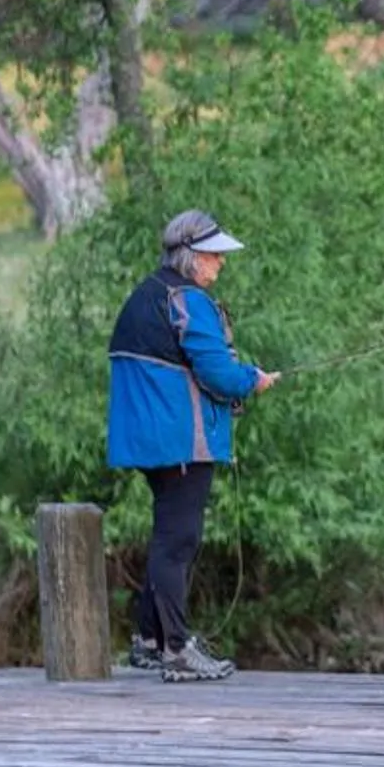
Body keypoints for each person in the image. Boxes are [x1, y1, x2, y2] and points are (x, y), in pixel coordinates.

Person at [106, 210, 277, 682]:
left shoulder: (147, 294)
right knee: (178, 541)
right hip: (181, 440)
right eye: (214, 255)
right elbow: (218, 373)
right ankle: (177, 650)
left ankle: (148, 639)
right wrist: (252, 380)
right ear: (191, 256)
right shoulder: (189, 300)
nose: (220, 264)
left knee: (168, 536)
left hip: (147, 437)